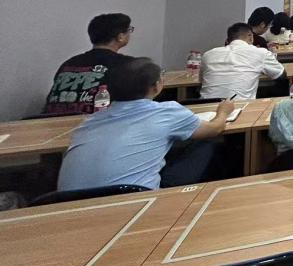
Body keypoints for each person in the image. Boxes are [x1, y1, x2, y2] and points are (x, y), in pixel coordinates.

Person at [58, 58, 232, 191]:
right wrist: (223, 111)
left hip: (66, 205)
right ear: (156, 86)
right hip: (135, 201)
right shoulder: (167, 112)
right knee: (209, 141)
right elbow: (215, 128)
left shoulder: (88, 122)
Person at [44, 13, 135, 115]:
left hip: (53, 123)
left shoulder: (69, 64)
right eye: (129, 30)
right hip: (99, 123)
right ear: (120, 37)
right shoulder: (128, 65)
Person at [200, 23, 285, 99]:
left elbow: (202, 80)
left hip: (204, 107)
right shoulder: (260, 53)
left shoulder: (208, 54)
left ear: (228, 39)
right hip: (239, 107)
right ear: (250, 37)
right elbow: (281, 75)